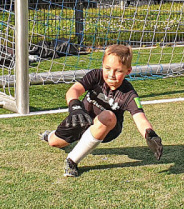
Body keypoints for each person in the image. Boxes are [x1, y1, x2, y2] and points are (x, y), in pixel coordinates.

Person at [40, 43, 164, 177]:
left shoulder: (129, 94)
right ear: (102, 65)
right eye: (107, 68)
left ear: (128, 71)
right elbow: (73, 90)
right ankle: (51, 135)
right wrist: (75, 108)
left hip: (108, 128)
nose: (111, 75)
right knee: (54, 142)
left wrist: (150, 135)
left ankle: (72, 160)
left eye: (118, 71)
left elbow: (140, 118)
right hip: (81, 118)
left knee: (108, 116)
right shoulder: (95, 76)